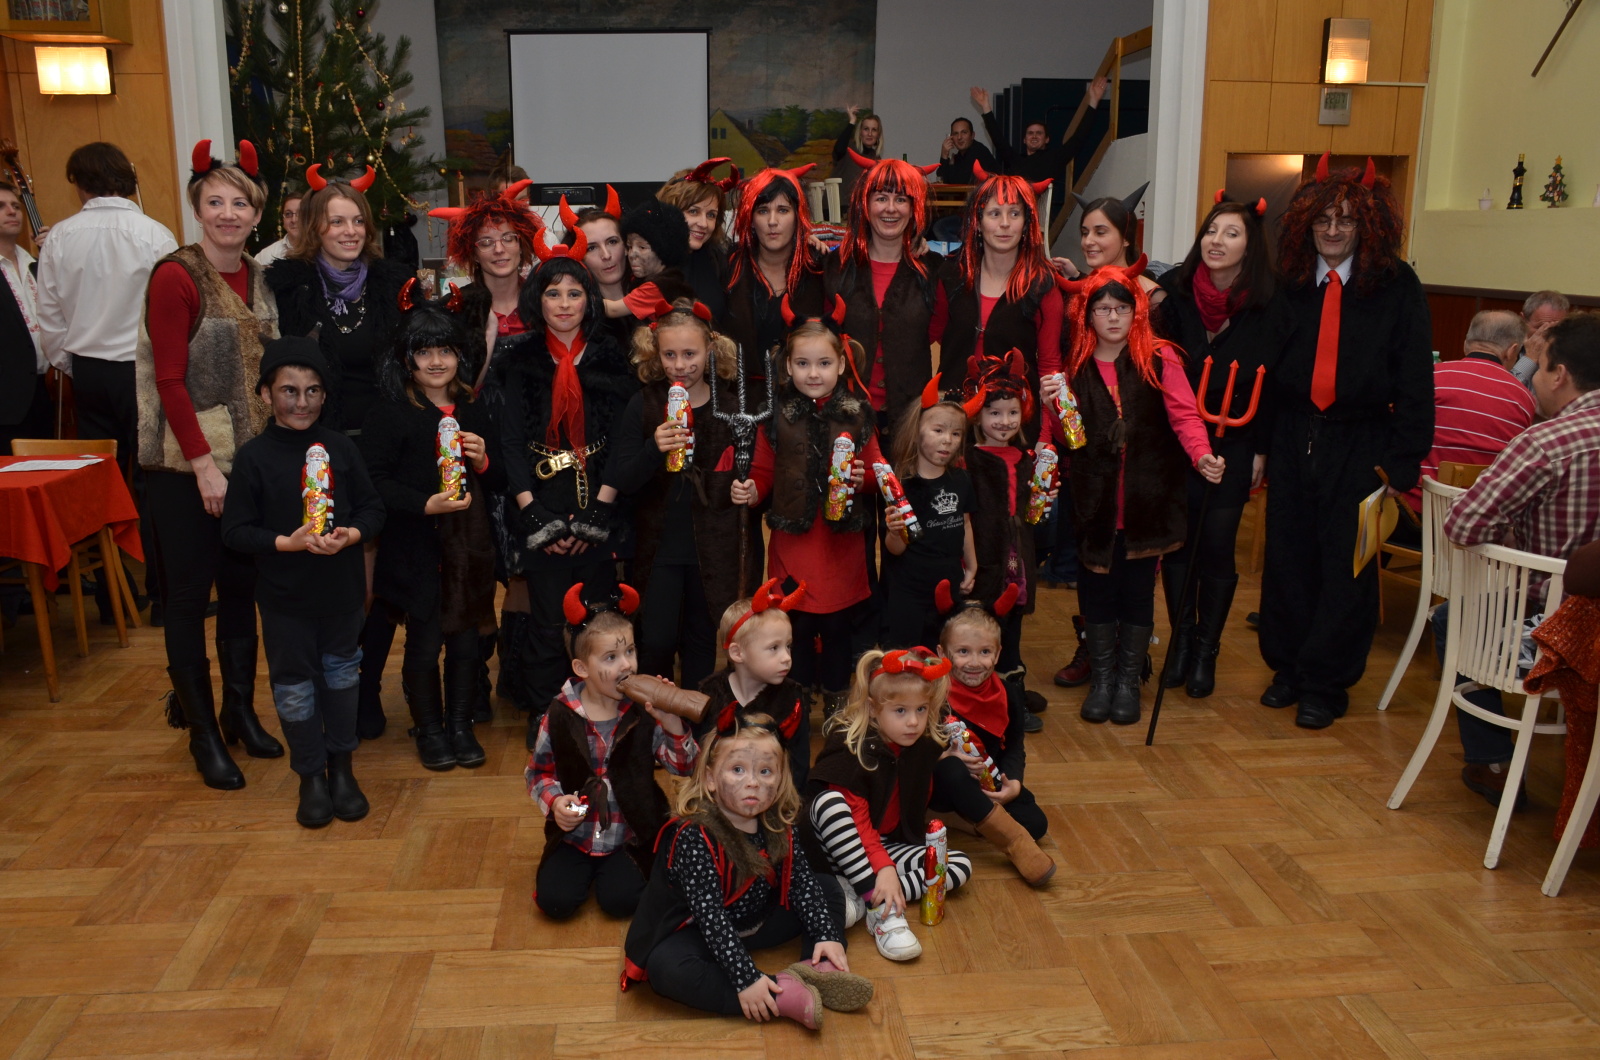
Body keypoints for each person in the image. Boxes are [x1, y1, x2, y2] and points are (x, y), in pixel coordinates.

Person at [1257, 155, 1434, 730]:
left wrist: (1402, 463)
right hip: (1291, 435)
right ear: (1305, 223)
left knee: (1346, 568)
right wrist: (1260, 445)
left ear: (1367, 224)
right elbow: (1265, 370)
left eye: (1346, 220)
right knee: (1288, 558)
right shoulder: (1290, 282)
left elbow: (1415, 378)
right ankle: (1288, 669)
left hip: (1362, 443)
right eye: (1323, 219)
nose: (1333, 230)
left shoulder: (1396, 285)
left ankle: (1326, 684)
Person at [136, 140, 282, 791]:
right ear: (197, 209)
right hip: (184, 469)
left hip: (246, 465)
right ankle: (202, 733)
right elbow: (169, 380)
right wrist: (202, 467)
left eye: (239, 203)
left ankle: (239, 713)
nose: (228, 213)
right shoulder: (176, 277)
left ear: (257, 214)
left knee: (243, 594)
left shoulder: (259, 277)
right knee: (190, 600)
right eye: (215, 202)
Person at [220, 337, 385, 828]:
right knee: (294, 689)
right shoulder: (253, 457)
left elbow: (372, 508)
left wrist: (351, 534)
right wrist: (284, 543)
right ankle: (310, 774)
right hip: (284, 601)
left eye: (313, 391)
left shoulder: (341, 447)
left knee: (342, 678)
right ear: (266, 394)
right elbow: (235, 531)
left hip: (340, 595)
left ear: (325, 395)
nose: (302, 402)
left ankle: (342, 768)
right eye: (289, 390)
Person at [1441, 313, 1600, 805]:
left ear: (1560, 375)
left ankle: (1494, 761)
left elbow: (1462, 526)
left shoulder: (1547, 442)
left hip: (1554, 627)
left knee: (1451, 618)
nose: (1531, 378)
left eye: (1540, 365)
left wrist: (1511, 531)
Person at [1054, 261, 1222, 726]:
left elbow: (1184, 416)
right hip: (1095, 503)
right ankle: (1103, 678)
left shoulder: (1160, 358)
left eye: (1121, 308)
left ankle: (1128, 681)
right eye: (1102, 309)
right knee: (1096, 592)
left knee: (1137, 593)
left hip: (1147, 501)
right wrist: (1055, 406)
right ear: (1087, 316)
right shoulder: (1075, 366)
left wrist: (1202, 455)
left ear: (1137, 312)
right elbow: (1067, 438)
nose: (1112, 317)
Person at [622, 717, 871, 1030]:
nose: (753, 782)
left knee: (827, 888)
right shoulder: (694, 837)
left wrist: (827, 934)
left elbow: (801, 883)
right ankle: (779, 995)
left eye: (765, 771)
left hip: (758, 920)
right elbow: (711, 918)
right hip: (701, 932)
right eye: (738, 769)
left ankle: (817, 966)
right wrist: (746, 979)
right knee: (666, 968)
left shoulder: (778, 822)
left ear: (780, 779)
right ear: (710, 779)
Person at [500, 228, 638, 749]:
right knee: (545, 626)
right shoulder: (520, 361)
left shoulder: (610, 358)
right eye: (553, 293)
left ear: (590, 299)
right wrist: (534, 515)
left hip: (598, 508)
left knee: (597, 624)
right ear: (537, 300)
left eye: (574, 293)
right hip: (541, 509)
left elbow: (622, 445)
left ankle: (598, 716)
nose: (563, 303)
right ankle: (547, 719)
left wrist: (598, 515)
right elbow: (510, 444)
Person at [1153, 194, 1290, 698]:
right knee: (1178, 545)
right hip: (1177, 439)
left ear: (1250, 246)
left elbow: (1276, 383)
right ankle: (1180, 642)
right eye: (1211, 231)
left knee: (1216, 546)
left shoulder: (1270, 303)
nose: (1217, 241)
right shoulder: (1177, 291)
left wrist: (1262, 449)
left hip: (1237, 441)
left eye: (1231, 234)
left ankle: (1206, 650)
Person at [360, 291, 503, 771]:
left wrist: (483, 462)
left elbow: (498, 478)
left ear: (460, 355)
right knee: (423, 644)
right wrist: (424, 504)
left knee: (465, 643)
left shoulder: (472, 408)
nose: (436, 361)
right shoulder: (391, 411)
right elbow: (376, 482)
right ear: (406, 359)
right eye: (424, 352)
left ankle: (460, 724)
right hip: (415, 549)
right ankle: (430, 728)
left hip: (468, 550)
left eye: (445, 350)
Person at [419, 179, 542, 729]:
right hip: (472, 450)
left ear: (523, 242)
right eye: (487, 241)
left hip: (529, 450)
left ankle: (519, 674)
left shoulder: (544, 297)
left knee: (522, 568)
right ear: (471, 249)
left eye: (507, 238)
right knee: (474, 565)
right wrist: (487, 341)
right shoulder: (460, 306)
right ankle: (474, 681)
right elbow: (450, 382)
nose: (498, 249)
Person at [36, 141, 178, 607]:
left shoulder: (60, 237)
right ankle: (163, 596)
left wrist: (71, 364)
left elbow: (49, 314)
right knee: (151, 482)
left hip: (89, 372)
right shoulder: (155, 233)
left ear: (79, 184)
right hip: (143, 369)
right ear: (126, 178)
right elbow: (171, 309)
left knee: (98, 483)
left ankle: (111, 600)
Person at [731, 309, 884, 722]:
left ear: (841, 364)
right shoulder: (774, 415)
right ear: (787, 366)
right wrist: (751, 490)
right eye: (802, 363)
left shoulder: (857, 413)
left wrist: (862, 478)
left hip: (840, 546)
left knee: (837, 630)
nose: (813, 373)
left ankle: (836, 700)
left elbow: (878, 472)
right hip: (794, 544)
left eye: (823, 363)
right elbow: (763, 472)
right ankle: (792, 702)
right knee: (792, 628)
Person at [606, 300, 760, 693]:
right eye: (669, 355)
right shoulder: (644, 403)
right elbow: (624, 478)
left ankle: (696, 718)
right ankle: (655, 715)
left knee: (701, 640)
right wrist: (652, 448)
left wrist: (750, 489)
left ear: (711, 350)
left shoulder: (731, 407)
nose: (680, 365)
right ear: (655, 354)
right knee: (656, 639)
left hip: (714, 549)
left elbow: (755, 472)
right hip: (659, 547)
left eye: (690, 354)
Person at [525, 584, 698, 919]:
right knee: (555, 902)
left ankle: (626, 870)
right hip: (575, 836)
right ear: (581, 668)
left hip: (630, 835)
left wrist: (672, 722)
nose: (627, 665)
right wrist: (555, 802)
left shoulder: (644, 712)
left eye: (630, 651)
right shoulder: (559, 713)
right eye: (611, 657)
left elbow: (685, 767)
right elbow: (538, 772)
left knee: (621, 901)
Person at [800, 648, 972, 961]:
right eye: (900, 711)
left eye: (921, 709)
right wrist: (884, 869)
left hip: (885, 846)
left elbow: (950, 729)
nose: (913, 721)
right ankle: (883, 911)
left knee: (957, 865)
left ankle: (863, 895)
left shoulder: (920, 744)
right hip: (838, 851)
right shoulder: (850, 749)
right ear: (872, 709)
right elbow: (859, 825)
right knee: (829, 802)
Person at [265, 165, 413, 433]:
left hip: (389, 438)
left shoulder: (394, 285)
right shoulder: (290, 290)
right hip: (317, 440)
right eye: (337, 222)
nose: (351, 231)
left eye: (358, 221)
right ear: (314, 228)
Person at [930, 168, 1064, 444]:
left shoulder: (1043, 285)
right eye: (994, 214)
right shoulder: (950, 275)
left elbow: (1050, 369)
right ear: (978, 222)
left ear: (1026, 223)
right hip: (954, 424)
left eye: (1014, 214)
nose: (1005, 224)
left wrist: (1045, 437)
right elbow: (934, 336)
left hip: (1014, 426)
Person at [933, 595, 1055, 884]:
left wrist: (1014, 783)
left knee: (1036, 823)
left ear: (998, 654)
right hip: (943, 784)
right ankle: (1013, 842)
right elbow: (909, 750)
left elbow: (1014, 744)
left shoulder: (1008, 694)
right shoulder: (932, 694)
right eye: (963, 651)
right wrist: (943, 756)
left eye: (985, 651)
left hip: (989, 782)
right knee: (952, 769)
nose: (975, 662)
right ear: (942, 653)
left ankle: (964, 819)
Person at [960, 349, 1050, 731]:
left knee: (1013, 628)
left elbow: (1031, 512)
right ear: (977, 415)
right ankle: (990, 699)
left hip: (1019, 558)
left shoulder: (1025, 457)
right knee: (986, 628)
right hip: (987, 558)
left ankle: (1013, 691)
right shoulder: (970, 459)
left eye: (1012, 412)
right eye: (994, 413)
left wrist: (1043, 498)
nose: (1004, 421)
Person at [1394, 310, 1536, 543]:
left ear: (1466, 343)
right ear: (1513, 350)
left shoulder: (1429, 376)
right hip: (1474, 526)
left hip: (1410, 515)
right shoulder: (1523, 398)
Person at [825, 155, 942, 433]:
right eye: (881, 198)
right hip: (844, 421)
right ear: (865, 205)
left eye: (901, 199)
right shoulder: (835, 267)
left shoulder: (934, 270)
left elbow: (944, 338)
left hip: (911, 423)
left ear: (913, 208)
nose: (891, 208)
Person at [881, 395, 975, 650]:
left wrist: (972, 566)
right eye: (938, 430)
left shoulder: (962, 480)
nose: (948, 440)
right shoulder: (900, 485)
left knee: (942, 651)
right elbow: (895, 550)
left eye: (956, 433)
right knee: (905, 654)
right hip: (909, 588)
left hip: (949, 582)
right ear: (916, 431)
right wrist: (895, 533)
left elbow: (965, 523)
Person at [702, 581, 811, 787]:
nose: (787, 657)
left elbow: (799, 766)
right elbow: (701, 760)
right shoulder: (710, 695)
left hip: (776, 796)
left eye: (788, 646)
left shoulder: (791, 698)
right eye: (774, 648)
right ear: (737, 653)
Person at [723, 165, 826, 384]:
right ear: (751, 218)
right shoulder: (729, 266)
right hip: (740, 398)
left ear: (798, 216)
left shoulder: (819, 269)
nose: (772, 221)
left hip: (804, 396)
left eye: (783, 210)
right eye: (763, 211)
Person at [972, 79, 1107, 197]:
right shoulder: (1016, 160)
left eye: (1039, 133)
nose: (1034, 136)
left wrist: (1093, 102)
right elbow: (998, 140)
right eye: (1030, 133)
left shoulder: (1054, 158)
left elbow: (1078, 138)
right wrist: (986, 107)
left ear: (1047, 139)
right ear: (1024, 140)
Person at [0, 179, 50, 449]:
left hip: (45, 393)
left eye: (16, 206)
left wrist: (55, 255)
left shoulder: (37, 265)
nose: (12, 212)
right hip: (6, 402)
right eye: (1, 206)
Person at [656, 158, 738, 323]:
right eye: (693, 211)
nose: (703, 224)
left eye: (711, 215)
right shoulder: (645, 258)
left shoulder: (718, 260)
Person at [1512, 290, 1570, 387]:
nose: (1548, 335)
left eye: (1556, 328)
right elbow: (1503, 390)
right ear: (1523, 320)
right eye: (1540, 327)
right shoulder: (1507, 348)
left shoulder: (1572, 354)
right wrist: (1529, 358)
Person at [830, 105, 882, 209]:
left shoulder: (876, 158)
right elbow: (838, 149)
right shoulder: (849, 147)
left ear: (878, 134)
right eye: (866, 129)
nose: (870, 134)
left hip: (860, 207)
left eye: (874, 130)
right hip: (838, 206)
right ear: (860, 132)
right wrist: (852, 122)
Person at [253, 185, 304, 269]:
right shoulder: (267, 256)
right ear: (282, 220)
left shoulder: (322, 251)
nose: (294, 220)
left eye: (300, 213)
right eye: (288, 214)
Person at [936, 117, 997, 186]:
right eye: (956, 133)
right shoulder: (959, 156)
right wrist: (944, 155)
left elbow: (961, 182)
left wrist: (951, 166)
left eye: (964, 132)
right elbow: (942, 180)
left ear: (972, 135)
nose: (959, 137)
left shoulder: (979, 151)